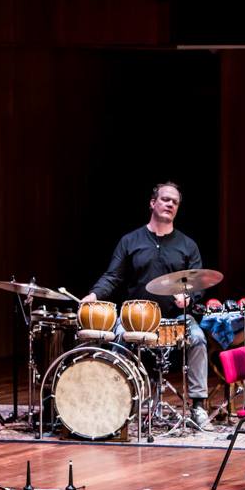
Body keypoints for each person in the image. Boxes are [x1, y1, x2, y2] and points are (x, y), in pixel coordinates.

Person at [81, 182, 211, 429]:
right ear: (153, 203)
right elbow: (113, 276)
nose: (170, 204)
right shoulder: (130, 241)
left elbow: (198, 284)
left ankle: (197, 405)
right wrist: (94, 295)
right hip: (135, 317)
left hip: (175, 317)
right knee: (115, 339)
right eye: (165, 199)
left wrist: (189, 298)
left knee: (198, 339)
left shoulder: (187, 245)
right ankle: (114, 400)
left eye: (175, 202)